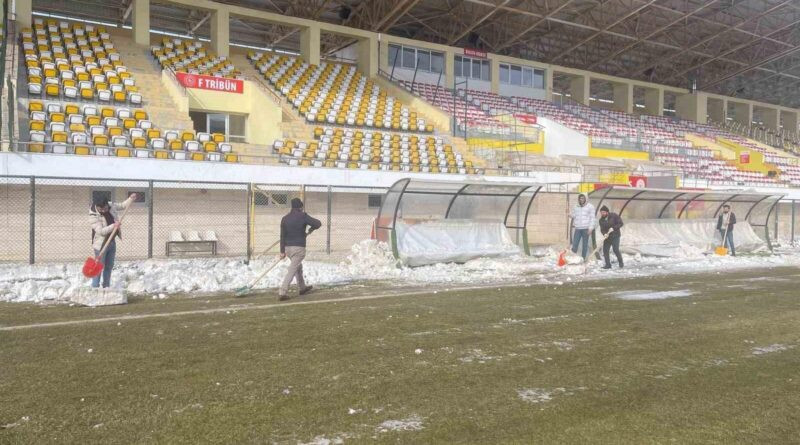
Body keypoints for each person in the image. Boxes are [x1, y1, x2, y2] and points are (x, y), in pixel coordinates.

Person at [89, 193, 137, 288]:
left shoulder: (111, 206)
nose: (104, 210)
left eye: (105, 208)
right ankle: (95, 288)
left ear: (107, 204)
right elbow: (101, 231)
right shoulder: (93, 215)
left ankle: (106, 287)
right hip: (101, 245)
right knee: (98, 268)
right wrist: (113, 226)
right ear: (97, 207)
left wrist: (130, 199)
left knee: (109, 267)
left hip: (111, 242)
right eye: (101, 209)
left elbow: (122, 205)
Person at [278, 198, 322, 301]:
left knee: (298, 267)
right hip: (299, 249)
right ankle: (282, 292)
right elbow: (318, 223)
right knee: (292, 269)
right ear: (300, 207)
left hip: (288, 249)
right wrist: (311, 229)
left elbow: (282, 236)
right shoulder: (303, 216)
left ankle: (302, 288)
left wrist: (282, 251)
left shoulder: (285, 218)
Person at [570, 193, 596, 259]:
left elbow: (592, 218)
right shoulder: (576, 206)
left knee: (585, 245)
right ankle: (572, 258)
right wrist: (569, 214)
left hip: (586, 228)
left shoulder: (590, 206)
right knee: (575, 244)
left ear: (586, 199)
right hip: (578, 228)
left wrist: (590, 228)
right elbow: (574, 215)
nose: (581, 199)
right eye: (580, 198)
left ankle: (583, 258)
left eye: (583, 198)